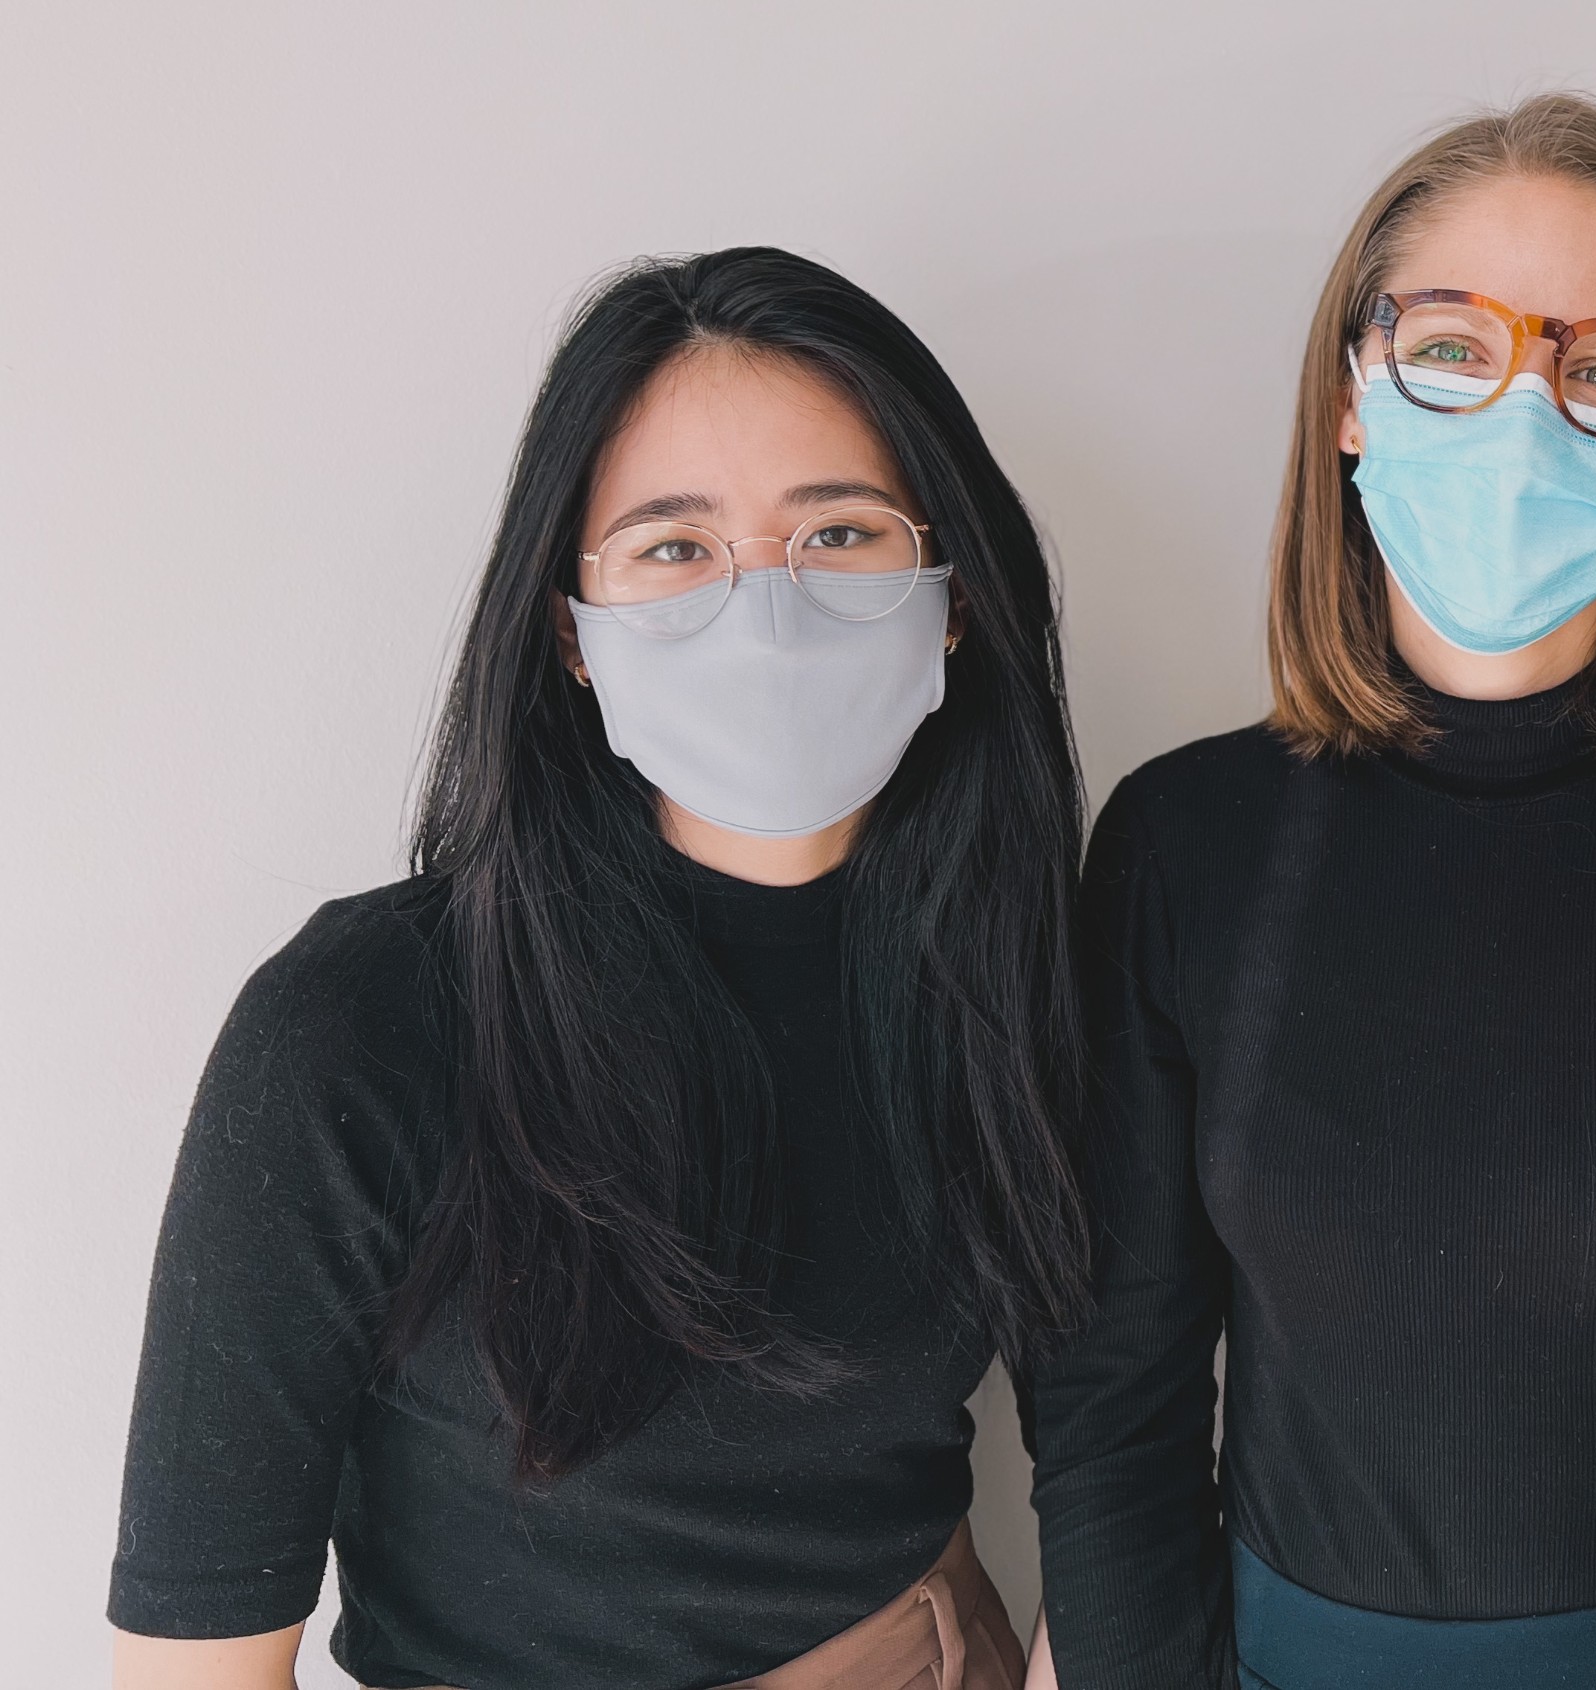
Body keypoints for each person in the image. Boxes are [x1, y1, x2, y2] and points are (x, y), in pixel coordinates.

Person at [1028, 94, 1596, 1690]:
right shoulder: (1182, 843)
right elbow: (1105, 1409)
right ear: (1349, 394)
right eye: (1455, 347)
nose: (1521, 413)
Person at [109, 248, 1083, 1690]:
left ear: (953, 595)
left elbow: (1117, 1452)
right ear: (570, 632)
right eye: (675, 548)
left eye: (841, 534)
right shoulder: (355, 1028)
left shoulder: (1016, 975)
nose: (767, 611)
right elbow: (193, 1652)